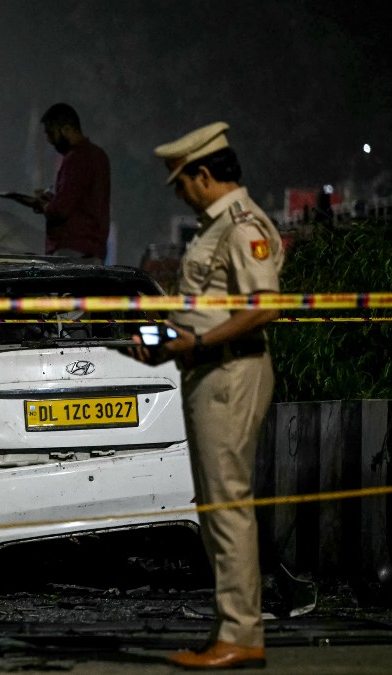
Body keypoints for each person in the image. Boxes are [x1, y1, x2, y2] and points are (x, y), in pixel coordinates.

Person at [129, 122, 283, 670]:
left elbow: (262, 306)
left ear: (202, 174)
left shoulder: (243, 226)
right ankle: (231, 630)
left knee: (228, 507)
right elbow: (211, 307)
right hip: (207, 369)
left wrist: (195, 340)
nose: (178, 193)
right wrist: (168, 343)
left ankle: (242, 635)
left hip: (230, 374)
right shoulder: (214, 227)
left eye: (180, 182)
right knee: (217, 508)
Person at [34, 103, 110, 264]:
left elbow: (61, 209)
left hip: (72, 251)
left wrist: (45, 206)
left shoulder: (76, 159)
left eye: (51, 133)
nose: (49, 140)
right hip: (92, 251)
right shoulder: (98, 156)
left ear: (67, 130)